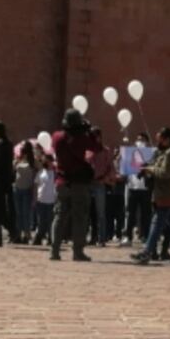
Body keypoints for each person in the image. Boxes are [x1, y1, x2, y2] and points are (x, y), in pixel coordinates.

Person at [131, 127, 170, 265]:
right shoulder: (169, 152)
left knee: (156, 224)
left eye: (160, 140)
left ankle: (147, 252)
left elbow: (164, 173)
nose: (158, 143)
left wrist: (149, 169)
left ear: (167, 140)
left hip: (167, 195)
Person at [50, 110, 100, 261]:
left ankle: (55, 251)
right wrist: (89, 132)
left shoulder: (56, 136)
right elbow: (97, 148)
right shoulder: (82, 138)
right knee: (80, 217)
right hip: (79, 183)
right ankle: (78, 252)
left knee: (59, 216)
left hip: (62, 181)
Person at [120, 133, 153, 247]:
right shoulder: (130, 154)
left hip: (145, 188)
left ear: (147, 141)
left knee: (146, 214)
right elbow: (124, 172)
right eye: (138, 140)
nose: (140, 142)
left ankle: (146, 236)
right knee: (130, 214)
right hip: (132, 187)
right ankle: (128, 237)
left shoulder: (151, 154)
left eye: (142, 140)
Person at [87, 130, 115, 247]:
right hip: (88, 184)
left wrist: (105, 178)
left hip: (100, 183)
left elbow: (111, 167)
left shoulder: (106, 151)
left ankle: (102, 238)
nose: (95, 139)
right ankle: (91, 237)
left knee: (100, 213)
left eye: (97, 137)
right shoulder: (87, 151)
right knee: (88, 213)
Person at [12, 140, 36, 244]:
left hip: (27, 189)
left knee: (26, 213)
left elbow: (37, 173)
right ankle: (18, 234)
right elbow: (12, 169)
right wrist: (16, 161)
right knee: (18, 213)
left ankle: (27, 234)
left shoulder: (33, 161)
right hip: (17, 189)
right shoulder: (18, 160)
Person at [33, 153, 57, 246]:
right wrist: (35, 198)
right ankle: (38, 238)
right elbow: (35, 185)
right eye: (44, 160)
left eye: (47, 160)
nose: (46, 162)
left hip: (51, 201)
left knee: (50, 221)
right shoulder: (41, 172)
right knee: (41, 221)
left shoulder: (55, 173)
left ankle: (51, 239)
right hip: (41, 200)